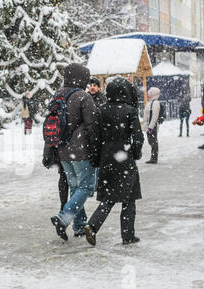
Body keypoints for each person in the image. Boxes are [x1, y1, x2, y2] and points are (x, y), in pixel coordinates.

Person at [84, 77, 144, 246]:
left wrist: (97, 158)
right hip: (125, 158)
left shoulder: (101, 110)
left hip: (106, 158)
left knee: (109, 199)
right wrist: (135, 153)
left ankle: (92, 225)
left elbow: (94, 138)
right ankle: (127, 235)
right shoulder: (130, 111)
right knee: (129, 198)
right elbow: (138, 137)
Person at [50, 63, 100, 241]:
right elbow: (92, 125)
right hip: (81, 151)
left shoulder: (58, 95)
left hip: (62, 150)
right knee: (86, 187)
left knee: (75, 187)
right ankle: (63, 218)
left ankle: (79, 225)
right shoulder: (83, 97)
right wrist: (96, 149)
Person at [43, 145, 68, 212]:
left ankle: (64, 206)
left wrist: (46, 153)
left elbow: (48, 138)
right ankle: (68, 207)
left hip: (59, 151)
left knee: (64, 177)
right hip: (65, 150)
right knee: (68, 179)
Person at [142, 87, 161, 164]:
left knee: (153, 142)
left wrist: (151, 127)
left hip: (152, 126)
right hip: (149, 126)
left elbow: (154, 116)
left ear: (153, 94)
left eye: (149, 93)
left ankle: (154, 158)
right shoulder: (150, 102)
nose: (147, 95)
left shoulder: (155, 103)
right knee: (151, 142)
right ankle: (153, 157)